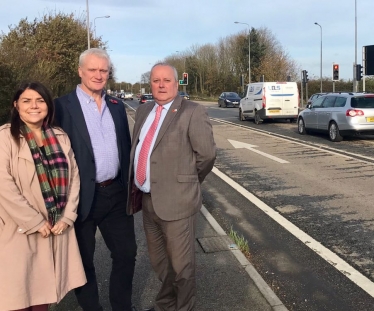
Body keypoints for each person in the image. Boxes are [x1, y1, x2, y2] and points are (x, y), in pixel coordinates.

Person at [127, 63, 216, 311]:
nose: (162, 85)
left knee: (182, 267)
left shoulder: (192, 111)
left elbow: (206, 156)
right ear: (151, 84)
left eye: (167, 80)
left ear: (176, 84)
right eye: (156, 80)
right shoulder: (144, 111)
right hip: (148, 201)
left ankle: (184, 307)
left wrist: (187, 182)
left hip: (178, 202)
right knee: (160, 263)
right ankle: (165, 305)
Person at [54, 48, 137, 311]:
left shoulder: (116, 106)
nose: (98, 75)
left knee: (126, 254)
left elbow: (124, 146)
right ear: (80, 71)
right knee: (83, 261)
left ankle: (121, 307)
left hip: (115, 193)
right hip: (80, 198)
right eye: (93, 70)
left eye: (103, 70)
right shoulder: (60, 107)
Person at [0, 81, 86, 311]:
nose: (34, 106)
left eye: (40, 100)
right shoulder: (5, 137)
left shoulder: (60, 136)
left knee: (42, 296)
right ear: (16, 105)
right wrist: (35, 221)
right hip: (19, 228)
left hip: (56, 226)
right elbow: (4, 186)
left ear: (48, 105)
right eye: (26, 101)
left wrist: (68, 216)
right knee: (16, 296)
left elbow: (74, 177)